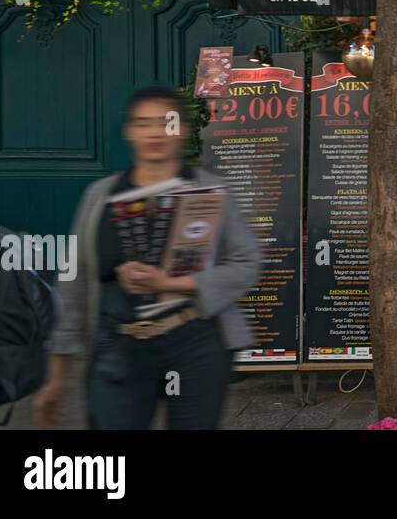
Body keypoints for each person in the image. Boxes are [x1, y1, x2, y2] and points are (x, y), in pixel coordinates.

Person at [34, 87, 262, 429]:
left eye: (166, 122)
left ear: (182, 129)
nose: (156, 132)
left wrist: (170, 283)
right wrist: (55, 378)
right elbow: (73, 284)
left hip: (195, 345)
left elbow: (247, 263)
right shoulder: (101, 196)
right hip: (119, 346)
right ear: (129, 132)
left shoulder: (211, 190)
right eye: (144, 123)